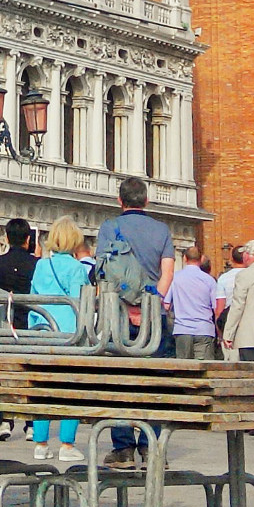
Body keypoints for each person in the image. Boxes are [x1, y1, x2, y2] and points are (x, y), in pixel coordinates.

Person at [94, 176, 175, 466]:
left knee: (121, 380)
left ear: (120, 201)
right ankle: (151, 447)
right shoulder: (162, 230)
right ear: (146, 200)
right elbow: (167, 272)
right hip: (154, 314)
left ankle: (123, 448)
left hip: (119, 313)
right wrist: (152, 303)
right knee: (154, 382)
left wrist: (130, 307)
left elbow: (106, 271)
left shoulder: (109, 227)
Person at [29, 218, 88, 463]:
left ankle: (40, 443)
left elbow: (32, 297)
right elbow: (80, 303)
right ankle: (66, 444)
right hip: (68, 333)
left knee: (42, 388)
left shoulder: (41, 266)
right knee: (68, 388)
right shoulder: (77, 269)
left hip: (42, 331)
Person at [0, 218, 38, 438]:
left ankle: (4, 421)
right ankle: (31, 424)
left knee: (4, 373)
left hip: (4, 322)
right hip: (30, 322)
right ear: (28, 239)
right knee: (30, 373)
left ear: (6, 238)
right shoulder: (36, 264)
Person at [167, 246, 221, 359]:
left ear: (185, 258)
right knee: (204, 370)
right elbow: (216, 309)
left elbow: (166, 304)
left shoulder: (174, 278)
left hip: (182, 329)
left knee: (184, 369)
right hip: (204, 329)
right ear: (201, 259)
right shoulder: (210, 280)